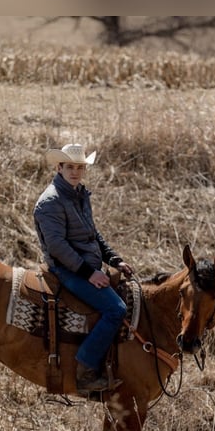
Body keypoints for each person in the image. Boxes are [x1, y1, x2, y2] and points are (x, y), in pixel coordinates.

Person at [33, 144, 134, 392]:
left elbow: (92, 234)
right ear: (59, 168)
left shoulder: (78, 194)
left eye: (79, 167)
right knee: (116, 309)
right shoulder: (51, 201)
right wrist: (90, 274)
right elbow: (57, 246)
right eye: (70, 167)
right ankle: (86, 370)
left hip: (86, 263)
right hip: (67, 269)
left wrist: (114, 260)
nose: (75, 172)